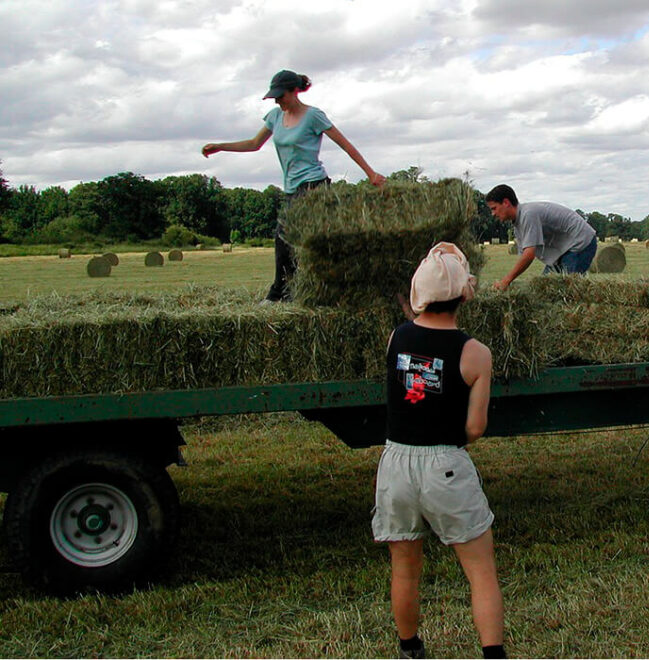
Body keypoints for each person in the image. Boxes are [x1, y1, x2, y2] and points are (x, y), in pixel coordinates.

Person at [373, 242, 506, 659]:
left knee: (405, 569)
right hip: (445, 464)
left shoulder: (396, 338)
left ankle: (410, 649)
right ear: (463, 295)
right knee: (481, 571)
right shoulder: (475, 353)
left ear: (420, 292)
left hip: (395, 463)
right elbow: (475, 428)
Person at [202, 69, 386, 302]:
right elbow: (254, 144)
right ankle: (301, 291)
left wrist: (371, 174)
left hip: (314, 186)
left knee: (283, 237)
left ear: (295, 91)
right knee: (299, 242)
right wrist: (220, 146)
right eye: (274, 97)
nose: (277, 101)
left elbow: (345, 145)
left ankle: (278, 294)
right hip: (291, 189)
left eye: (281, 96)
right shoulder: (274, 117)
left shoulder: (313, 116)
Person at [484, 184, 597, 291]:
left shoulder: (528, 214)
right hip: (563, 250)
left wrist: (506, 281)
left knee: (566, 292)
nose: (493, 214)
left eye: (494, 208)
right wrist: (509, 281)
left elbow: (529, 254)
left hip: (579, 242)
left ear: (506, 202)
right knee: (544, 288)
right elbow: (523, 256)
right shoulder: (518, 226)